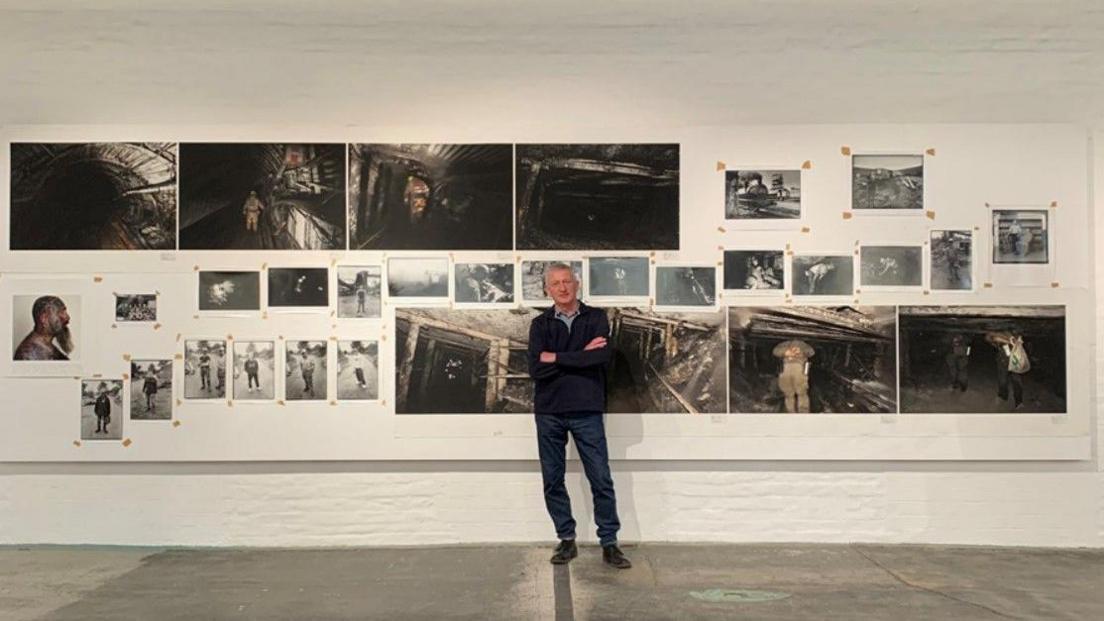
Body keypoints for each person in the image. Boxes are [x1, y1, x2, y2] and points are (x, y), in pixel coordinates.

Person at [527, 263, 630, 570]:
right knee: (553, 479)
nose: (562, 288)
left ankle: (609, 542)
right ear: (547, 289)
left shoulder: (596, 318)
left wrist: (555, 356)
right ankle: (566, 538)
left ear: (577, 284)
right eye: (556, 283)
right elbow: (536, 368)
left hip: (587, 409)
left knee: (600, 478)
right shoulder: (540, 324)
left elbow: (600, 357)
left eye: (567, 281)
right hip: (550, 412)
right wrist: (579, 355)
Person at [13, 295, 74, 361]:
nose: (67, 317)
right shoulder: (26, 355)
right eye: (61, 312)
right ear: (44, 318)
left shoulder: (45, 346)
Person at [986, 330, 1028, 409]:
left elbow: (1020, 340)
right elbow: (991, 337)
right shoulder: (998, 332)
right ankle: (1002, 396)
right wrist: (1008, 341)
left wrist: (1016, 340)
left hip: (1015, 362)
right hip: (1002, 361)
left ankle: (1019, 402)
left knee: (1017, 381)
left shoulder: (1015, 332)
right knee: (1002, 380)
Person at [772, 339, 815, 413]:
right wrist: (785, 352)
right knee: (788, 394)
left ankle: (803, 413)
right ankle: (791, 412)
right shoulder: (783, 344)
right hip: (785, 369)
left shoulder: (803, 344)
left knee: (801, 393)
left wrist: (801, 351)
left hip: (799, 369)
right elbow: (775, 351)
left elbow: (811, 352)